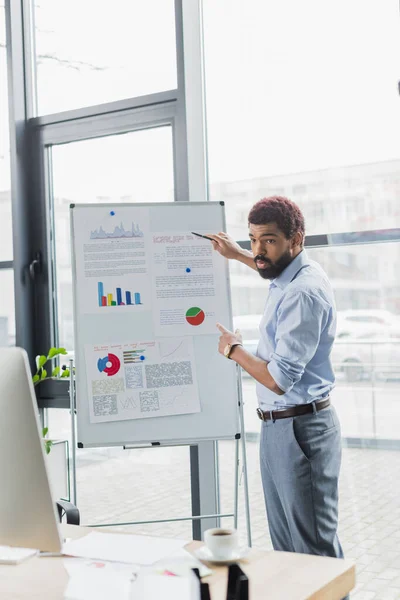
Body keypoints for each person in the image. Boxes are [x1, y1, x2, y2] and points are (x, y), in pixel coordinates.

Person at [210, 196, 346, 572]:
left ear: (296, 239)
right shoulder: (293, 275)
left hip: (301, 427)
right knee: (287, 552)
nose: (259, 250)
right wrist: (238, 255)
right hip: (278, 427)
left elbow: (278, 379)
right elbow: (270, 268)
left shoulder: (303, 292)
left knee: (313, 554)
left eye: (268, 240)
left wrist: (233, 350)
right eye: (253, 240)